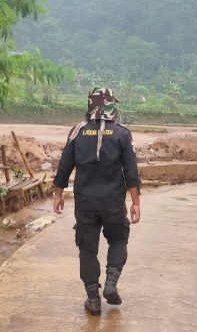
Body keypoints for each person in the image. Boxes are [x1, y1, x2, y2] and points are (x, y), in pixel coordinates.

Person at [53, 87, 141, 316]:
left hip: (85, 204)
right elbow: (131, 171)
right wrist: (135, 203)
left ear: (90, 104)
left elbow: (64, 167)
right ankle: (111, 283)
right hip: (112, 203)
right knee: (119, 239)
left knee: (87, 250)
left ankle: (93, 299)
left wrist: (58, 194)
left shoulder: (77, 132)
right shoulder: (123, 134)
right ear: (111, 105)